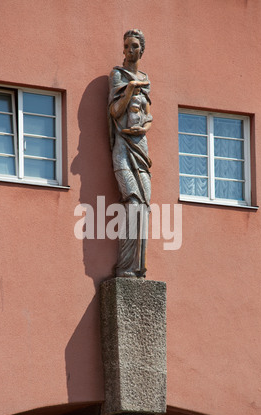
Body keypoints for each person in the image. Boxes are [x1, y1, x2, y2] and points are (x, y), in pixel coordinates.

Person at [108, 29, 153, 278]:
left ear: (141, 50)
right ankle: (125, 267)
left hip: (140, 146)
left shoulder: (147, 79)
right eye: (126, 46)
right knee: (133, 203)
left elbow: (148, 116)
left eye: (134, 46)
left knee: (145, 206)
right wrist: (130, 89)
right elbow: (115, 111)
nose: (129, 50)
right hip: (122, 148)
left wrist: (143, 127)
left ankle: (139, 268)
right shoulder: (117, 75)